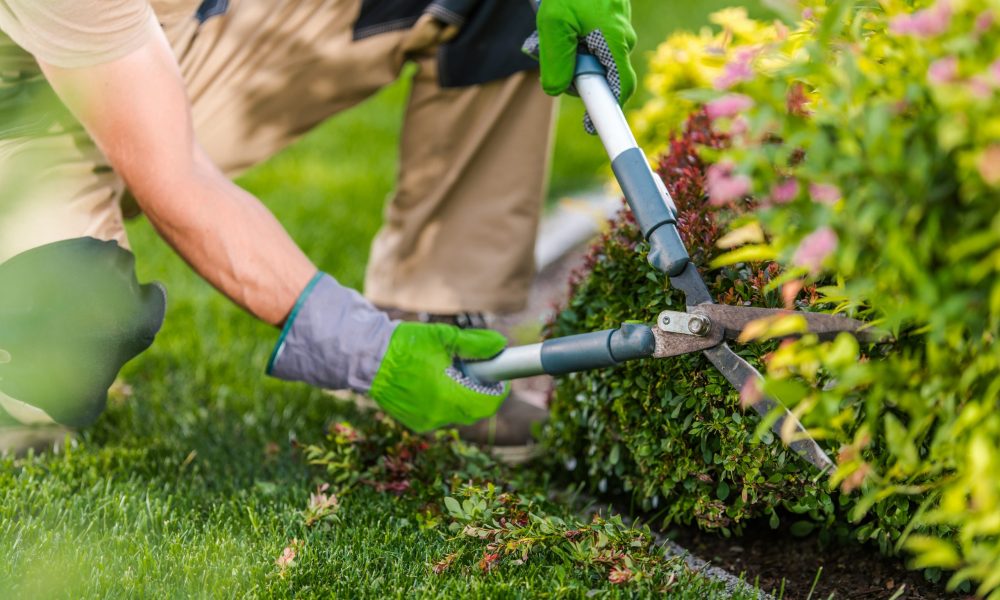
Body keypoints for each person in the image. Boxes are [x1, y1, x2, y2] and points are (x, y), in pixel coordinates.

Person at [0, 0, 636, 455]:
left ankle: (437, 319)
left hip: (166, 46)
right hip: (24, 129)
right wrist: (368, 351)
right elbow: (175, 178)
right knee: (68, 343)